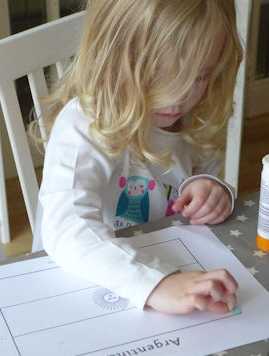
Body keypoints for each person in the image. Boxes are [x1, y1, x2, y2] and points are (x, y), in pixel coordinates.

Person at [37, 0, 244, 315]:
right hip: (81, 282)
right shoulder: (85, 126)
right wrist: (156, 284)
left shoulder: (193, 118)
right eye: (159, 74)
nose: (178, 97)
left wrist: (211, 188)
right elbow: (67, 229)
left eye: (199, 76)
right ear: (111, 57)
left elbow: (195, 178)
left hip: (166, 261)